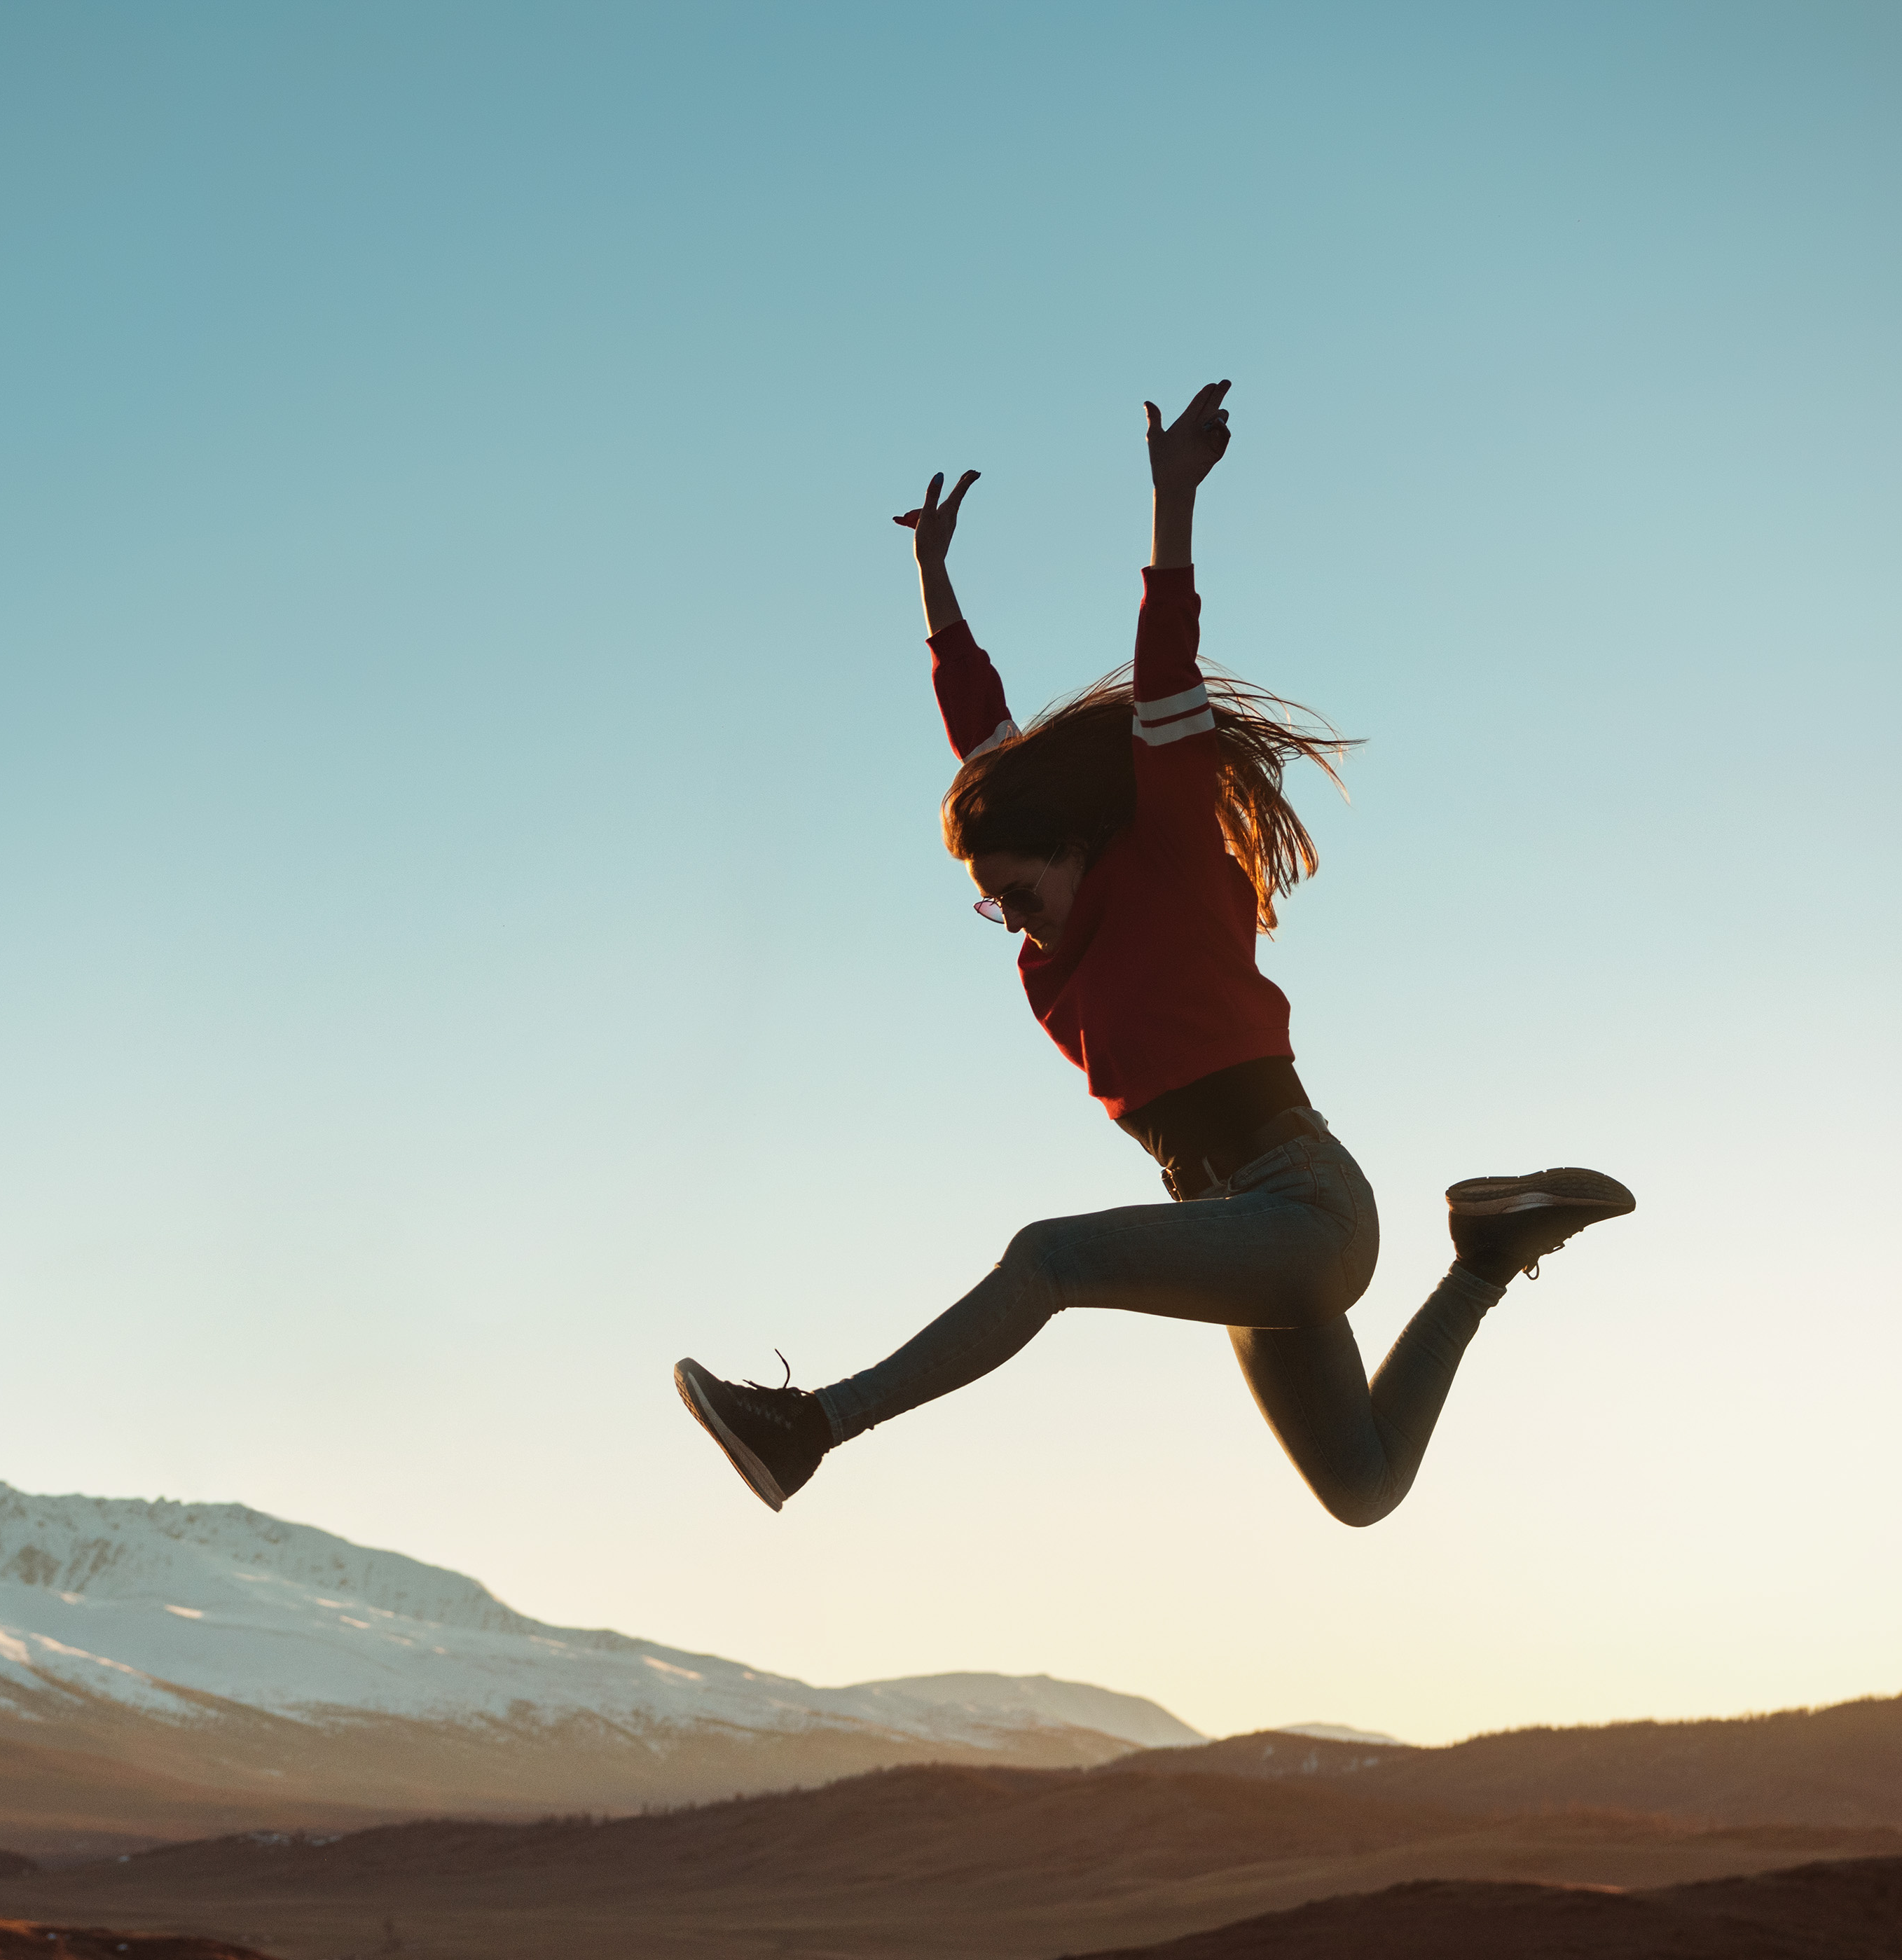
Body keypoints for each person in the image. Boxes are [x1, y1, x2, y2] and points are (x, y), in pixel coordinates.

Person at [673, 381, 1633, 1524]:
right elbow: (989, 753)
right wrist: (934, 589)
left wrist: (1170, 503)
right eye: (992, 907)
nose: (1012, 922)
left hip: (1304, 1208)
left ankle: (812, 1425)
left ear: (1079, 847)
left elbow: (1168, 676)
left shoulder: (1168, 858)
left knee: (1048, 1259)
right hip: (1222, 1226)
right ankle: (1483, 1253)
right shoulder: (1052, 928)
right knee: (1363, 1484)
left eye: (1018, 892)